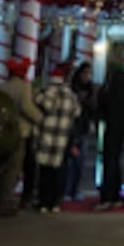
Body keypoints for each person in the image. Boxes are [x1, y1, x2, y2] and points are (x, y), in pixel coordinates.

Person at [0, 55, 40, 214]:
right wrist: (40, 118)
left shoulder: (1, 87)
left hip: (2, 131)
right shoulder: (24, 87)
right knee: (14, 168)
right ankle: (5, 201)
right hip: (20, 132)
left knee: (2, 167)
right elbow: (27, 107)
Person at [34, 64, 80, 212]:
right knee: (59, 170)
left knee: (44, 170)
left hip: (46, 135)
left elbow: (39, 104)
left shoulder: (45, 92)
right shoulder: (70, 95)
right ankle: (55, 202)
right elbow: (77, 112)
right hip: (62, 137)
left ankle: (43, 201)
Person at [95, 43, 124, 209]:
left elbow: (108, 101)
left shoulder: (114, 79)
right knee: (114, 159)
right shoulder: (123, 79)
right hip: (119, 123)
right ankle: (114, 194)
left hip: (113, 123)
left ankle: (108, 196)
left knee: (110, 158)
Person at [64, 62, 95, 200]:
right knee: (71, 161)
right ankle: (67, 190)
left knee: (80, 162)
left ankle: (74, 189)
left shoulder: (90, 89)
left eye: (89, 73)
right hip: (72, 128)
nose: (87, 76)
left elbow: (92, 108)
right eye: (85, 73)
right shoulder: (72, 89)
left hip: (83, 128)